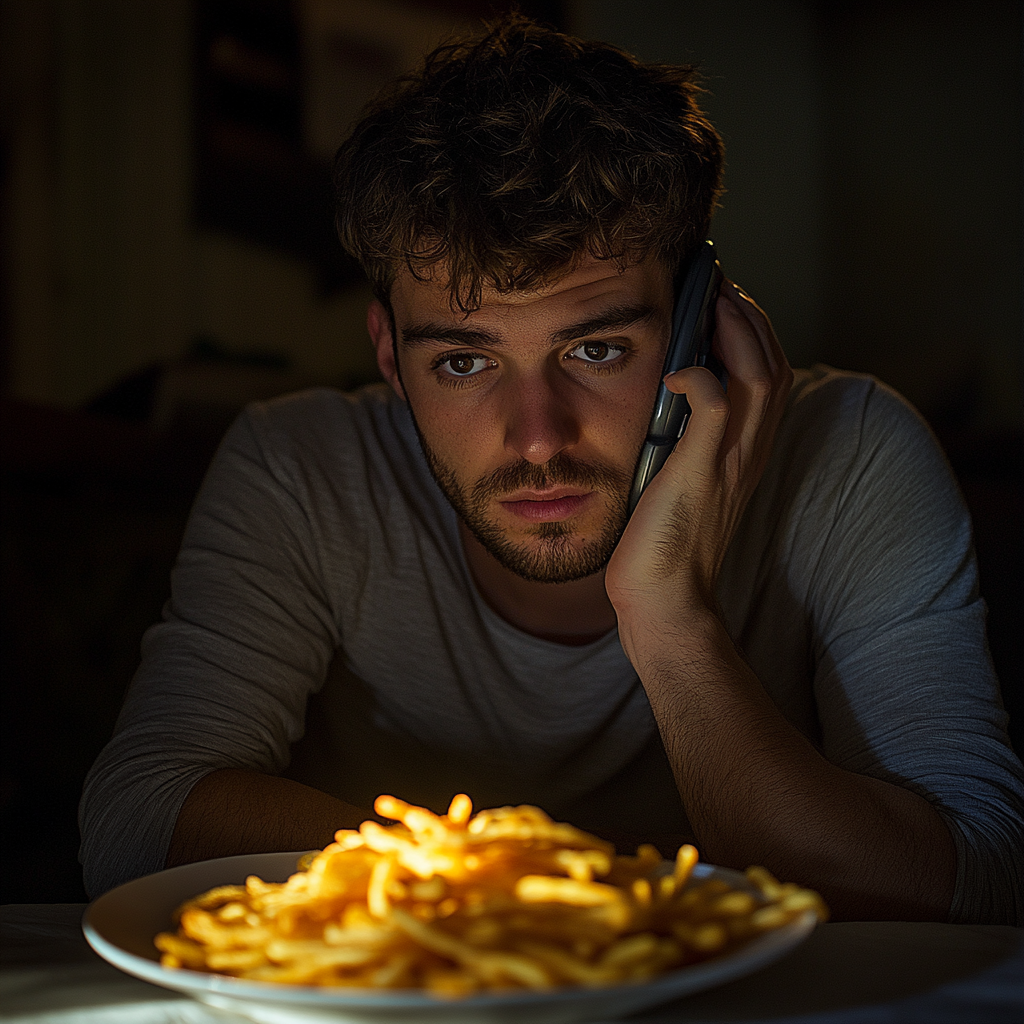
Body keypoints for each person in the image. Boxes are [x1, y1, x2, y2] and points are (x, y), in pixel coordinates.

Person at [80, 16, 1022, 924]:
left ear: (702, 326)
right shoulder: (299, 467)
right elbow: (136, 820)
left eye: (597, 349)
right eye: (463, 361)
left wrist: (665, 616)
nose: (537, 438)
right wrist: (558, 883)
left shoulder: (852, 452)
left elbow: (971, 875)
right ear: (388, 355)